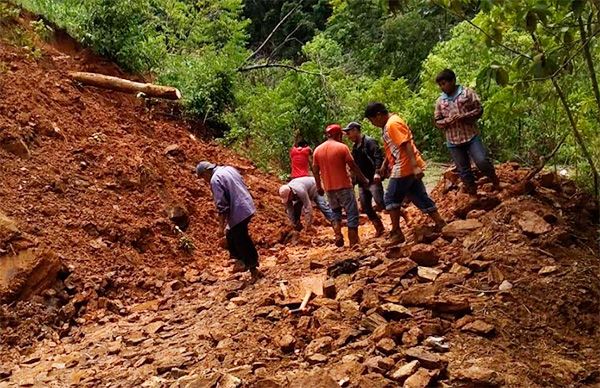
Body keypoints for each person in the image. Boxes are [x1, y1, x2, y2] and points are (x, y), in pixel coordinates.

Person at [365, 102, 446, 244]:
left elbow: (406, 144)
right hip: (404, 164)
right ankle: (440, 222)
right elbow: (393, 147)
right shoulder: (389, 124)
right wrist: (385, 165)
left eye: (372, 120)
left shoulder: (392, 124)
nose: (373, 124)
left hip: (404, 166)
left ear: (378, 115)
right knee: (418, 195)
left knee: (390, 199)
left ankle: (396, 233)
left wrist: (414, 166)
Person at [434, 69, 500, 194]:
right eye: (440, 85)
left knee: (481, 161)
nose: (442, 87)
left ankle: (495, 180)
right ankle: (472, 193)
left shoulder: (467, 93)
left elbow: (479, 110)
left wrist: (465, 116)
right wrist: (448, 121)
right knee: (463, 170)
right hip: (453, 140)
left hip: (471, 136)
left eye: (444, 83)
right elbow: (437, 121)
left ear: (452, 81)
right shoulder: (440, 101)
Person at [195, 161, 262, 280]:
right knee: (233, 235)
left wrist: (220, 227)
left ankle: (251, 267)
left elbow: (222, 206)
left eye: (203, 177)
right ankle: (242, 261)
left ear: (206, 172)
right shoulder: (228, 169)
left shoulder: (215, 180)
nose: (204, 180)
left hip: (239, 210)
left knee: (240, 239)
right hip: (247, 205)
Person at [313, 124, 369, 247]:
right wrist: (363, 179)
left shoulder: (317, 150)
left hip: (329, 188)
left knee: (335, 212)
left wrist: (319, 186)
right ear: (338, 135)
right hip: (344, 186)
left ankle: (338, 234)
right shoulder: (342, 148)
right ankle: (353, 240)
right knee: (351, 212)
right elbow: (353, 166)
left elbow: (315, 170)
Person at [342, 122, 386, 237]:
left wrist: (377, 173)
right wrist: (354, 180)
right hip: (362, 182)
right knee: (366, 207)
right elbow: (355, 165)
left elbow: (378, 157)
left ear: (356, 130)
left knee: (381, 203)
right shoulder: (355, 147)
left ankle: (403, 214)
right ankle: (379, 227)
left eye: (349, 132)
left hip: (372, 179)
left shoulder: (369, 142)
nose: (348, 135)